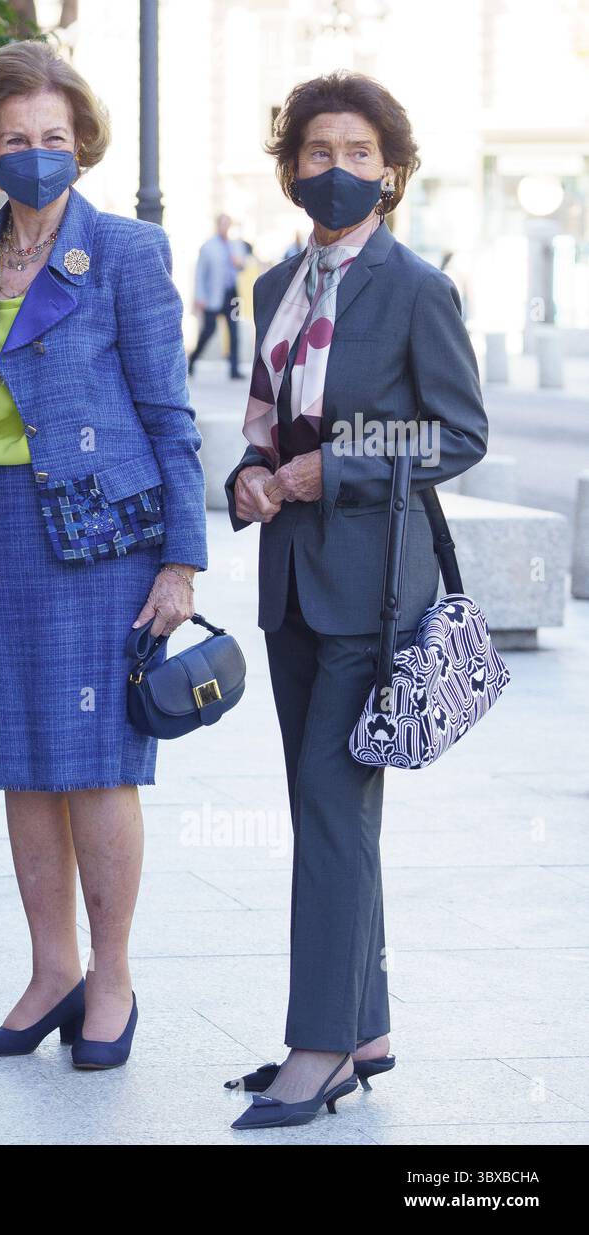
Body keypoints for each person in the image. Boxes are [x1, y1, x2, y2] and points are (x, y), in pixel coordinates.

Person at [0, 40, 207, 1070]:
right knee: (20, 761)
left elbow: (169, 412)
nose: (35, 153)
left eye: (53, 138)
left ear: (82, 145)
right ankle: (49, 969)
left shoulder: (126, 253)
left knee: (100, 763)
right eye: (15, 138)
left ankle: (110, 978)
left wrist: (181, 559)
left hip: (103, 540)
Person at [223, 71, 488, 1129]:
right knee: (326, 811)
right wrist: (250, 474)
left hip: (372, 587)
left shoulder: (414, 287)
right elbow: (267, 416)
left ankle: (320, 1046)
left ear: (391, 172)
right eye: (317, 152)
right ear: (292, 168)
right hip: (289, 574)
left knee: (332, 815)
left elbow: (456, 435)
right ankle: (363, 1021)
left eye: (359, 154)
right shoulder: (272, 284)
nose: (337, 171)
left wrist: (335, 470)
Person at [187, 213, 246, 379]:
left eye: (228, 224)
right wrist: (200, 297)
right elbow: (200, 274)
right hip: (213, 296)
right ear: (217, 225)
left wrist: (239, 263)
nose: (225, 227)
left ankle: (234, 370)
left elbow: (243, 266)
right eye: (222, 224)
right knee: (208, 331)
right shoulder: (208, 247)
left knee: (234, 332)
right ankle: (192, 360)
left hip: (232, 295)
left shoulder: (236, 245)